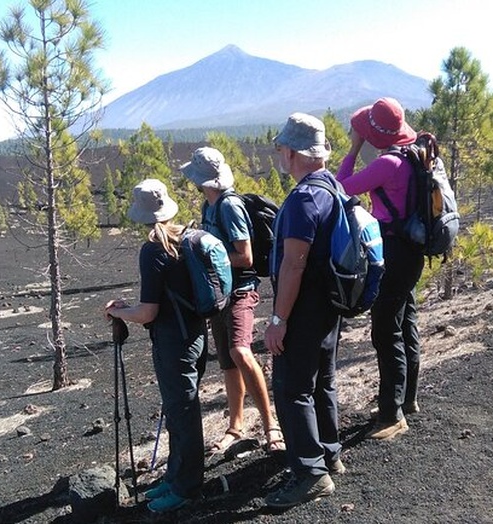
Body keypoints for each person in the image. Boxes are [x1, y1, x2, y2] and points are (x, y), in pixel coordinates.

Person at [104, 179, 206, 513]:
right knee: (179, 411)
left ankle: (187, 488)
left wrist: (118, 312)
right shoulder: (187, 238)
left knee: (183, 414)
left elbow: (148, 312)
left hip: (173, 343)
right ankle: (175, 477)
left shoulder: (153, 249)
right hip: (196, 336)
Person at [178, 146, 285, 455]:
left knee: (240, 350)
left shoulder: (229, 207)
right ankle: (235, 427)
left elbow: (245, 256)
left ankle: (271, 425)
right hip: (218, 294)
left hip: (241, 290)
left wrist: (206, 258)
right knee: (227, 361)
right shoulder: (208, 206)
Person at [263, 113, 345, 509]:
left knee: (292, 388)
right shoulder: (332, 187)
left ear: (292, 152)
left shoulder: (303, 198)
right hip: (328, 306)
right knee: (322, 381)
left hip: (303, 308)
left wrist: (278, 320)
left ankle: (311, 474)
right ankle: (329, 454)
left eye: (281, 148)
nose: (281, 154)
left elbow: (294, 264)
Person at [336, 97, 423, 440]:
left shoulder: (388, 163)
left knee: (386, 331)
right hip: (411, 250)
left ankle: (391, 415)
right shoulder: (412, 156)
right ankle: (406, 399)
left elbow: (341, 188)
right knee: (405, 323)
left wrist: (354, 148)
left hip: (395, 252)